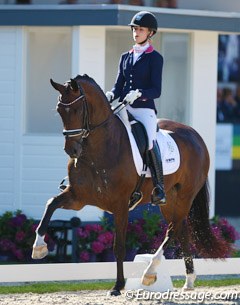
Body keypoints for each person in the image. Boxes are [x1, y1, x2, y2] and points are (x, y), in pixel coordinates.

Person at [105, 11, 166, 206]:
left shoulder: (155, 58)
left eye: (140, 29)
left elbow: (156, 90)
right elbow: (118, 85)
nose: (136, 32)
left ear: (150, 33)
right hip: (123, 108)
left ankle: (159, 187)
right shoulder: (125, 57)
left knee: (148, 141)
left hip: (144, 109)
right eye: (134, 29)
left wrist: (139, 93)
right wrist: (111, 95)